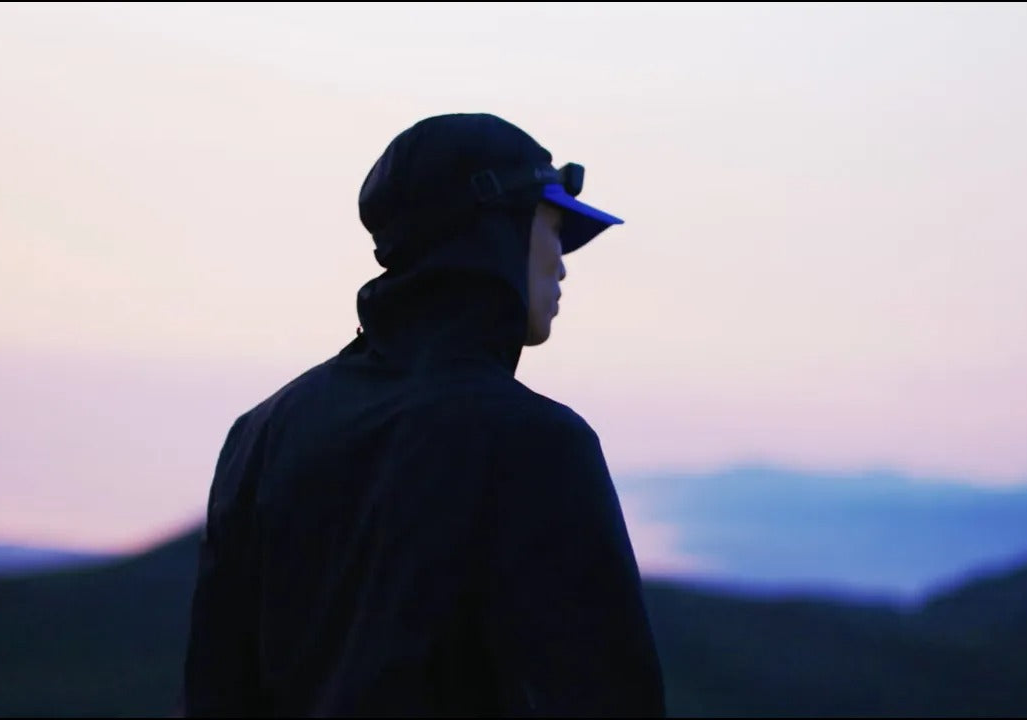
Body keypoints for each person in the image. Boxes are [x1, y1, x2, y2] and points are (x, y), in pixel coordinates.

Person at [181, 113, 666, 717]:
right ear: (500, 233)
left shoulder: (262, 432)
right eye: (555, 229)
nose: (563, 263)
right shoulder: (537, 443)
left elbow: (214, 690)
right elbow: (607, 695)